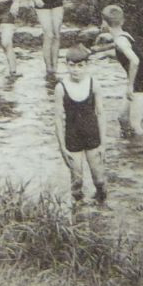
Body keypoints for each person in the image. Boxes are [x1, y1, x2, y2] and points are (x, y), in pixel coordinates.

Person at [53, 44, 107, 204]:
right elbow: (57, 119)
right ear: (66, 65)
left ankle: (102, 208)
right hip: (72, 137)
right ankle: (78, 214)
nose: (76, 70)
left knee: (99, 180)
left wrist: (103, 143)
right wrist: (62, 147)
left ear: (87, 65)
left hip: (92, 136)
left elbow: (101, 114)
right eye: (72, 66)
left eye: (80, 66)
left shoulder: (94, 84)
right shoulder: (60, 88)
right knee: (77, 181)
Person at [91, 4, 143, 137]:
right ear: (122, 21)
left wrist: (129, 86)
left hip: (140, 84)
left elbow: (134, 61)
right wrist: (102, 51)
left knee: (135, 126)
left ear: (105, 24)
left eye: (102, 21)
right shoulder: (124, 36)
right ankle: (129, 147)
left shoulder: (120, 41)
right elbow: (120, 50)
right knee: (123, 119)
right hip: (140, 81)